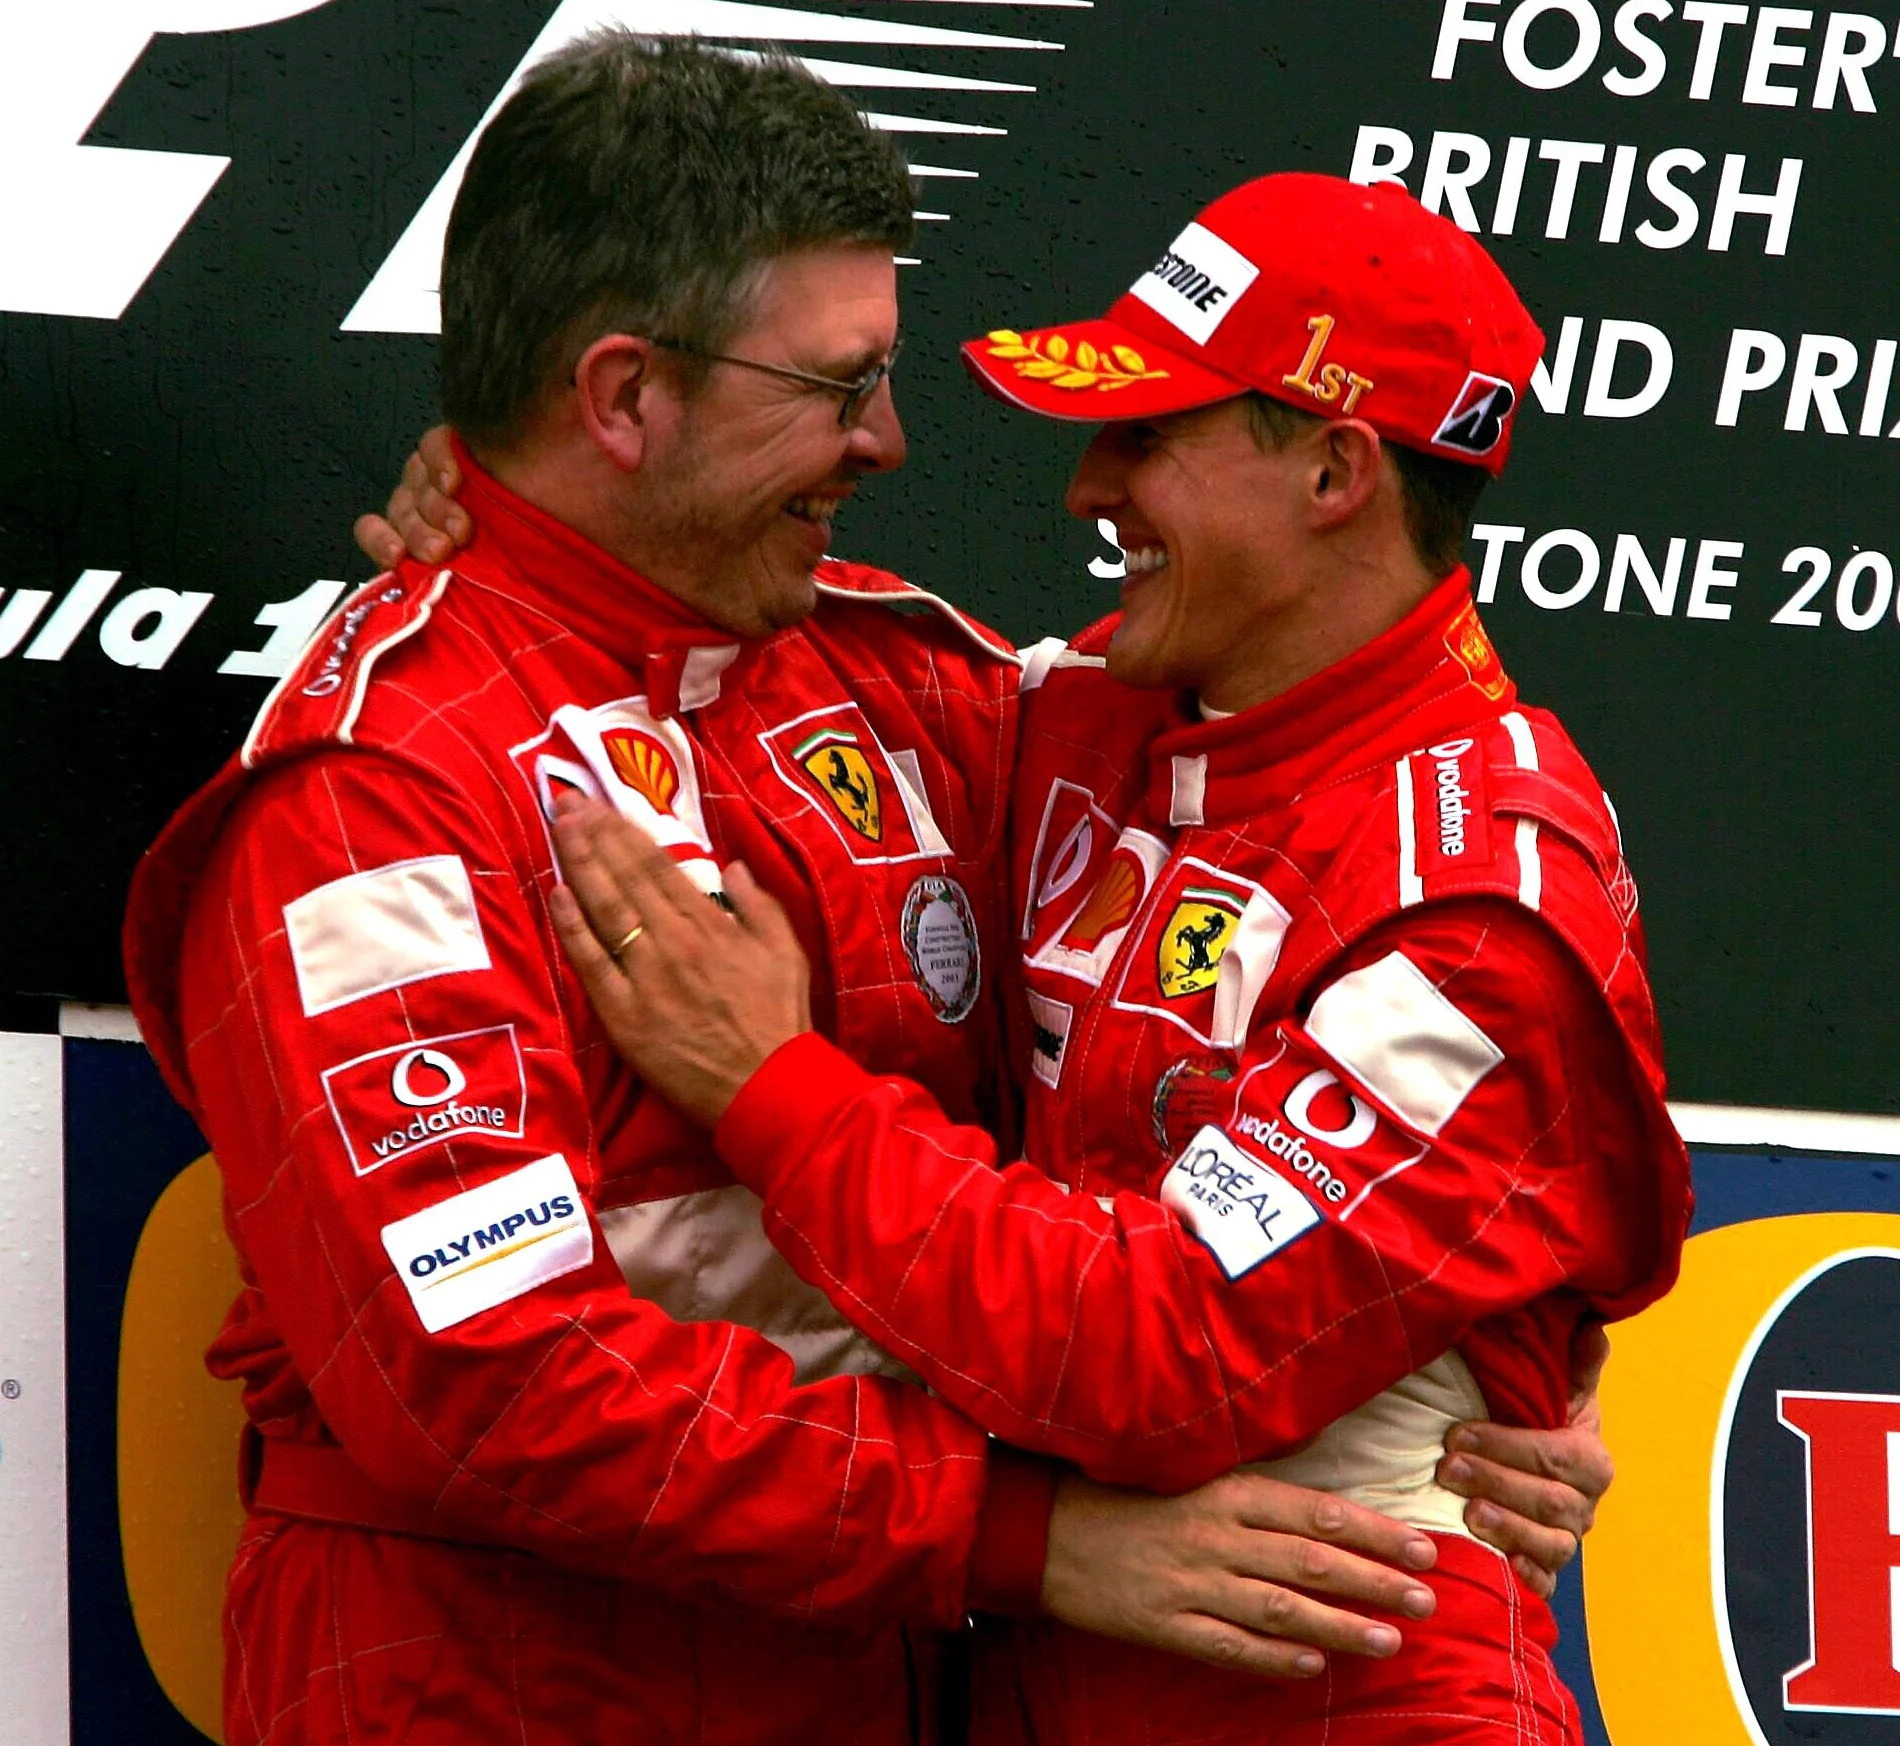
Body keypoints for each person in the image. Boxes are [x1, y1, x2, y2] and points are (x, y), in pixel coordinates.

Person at [125, 39, 1599, 1746]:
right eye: (839, 385)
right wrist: (1020, 1539)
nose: (890, 442)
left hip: (873, 1673)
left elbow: (1310, 852)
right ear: (620, 396)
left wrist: (1475, 1368)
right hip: (500, 1678)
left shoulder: (904, 686)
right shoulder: (380, 779)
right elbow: (476, 1378)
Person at [515, 173, 1693, 1744]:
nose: (1087, 489)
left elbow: (1167, 1344)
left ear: (1336, 469)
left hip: (1344, 1695)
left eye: (1148, 435)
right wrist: (503, 517)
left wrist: (769, 1087)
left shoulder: (1482, 895)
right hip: (1033, 1679)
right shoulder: (1082, 718)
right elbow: (728, 622)